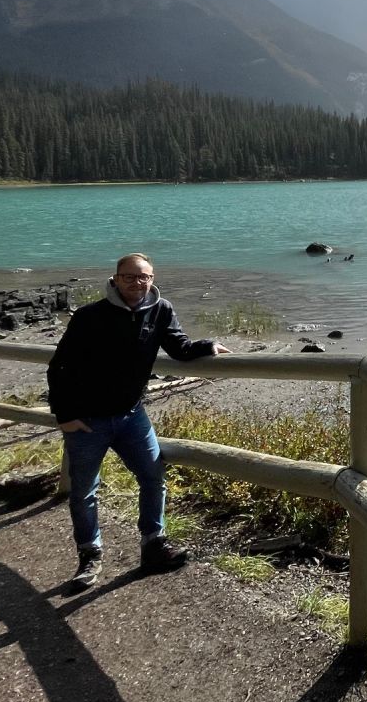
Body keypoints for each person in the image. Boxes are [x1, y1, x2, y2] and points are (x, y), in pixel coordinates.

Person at [46, 253, 230, 592]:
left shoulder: (161, 310)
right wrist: (65, 417)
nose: (136, 282)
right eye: (128, 276)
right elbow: (59, 367)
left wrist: (207, 345)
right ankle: (90, 554)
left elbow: (179, 347)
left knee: (153, 476)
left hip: (132, 415)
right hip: (87, 420)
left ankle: (153, 545)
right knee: (84, 490)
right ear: (115, 279)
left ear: (152, 278)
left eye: (142, 276)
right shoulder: (89, 316)